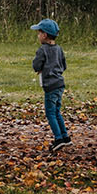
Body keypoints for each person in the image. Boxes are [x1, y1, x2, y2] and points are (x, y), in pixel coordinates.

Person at [31, 18, 70, 151]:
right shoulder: (59, 49)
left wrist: (42, 69)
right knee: (57, 111)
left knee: (50, 113)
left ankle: (58, 138)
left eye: (39, 32)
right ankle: (65, 137)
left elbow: (36, 66)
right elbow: (63, 65)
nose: (38, 35)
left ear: (44, 35)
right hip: (60, 84)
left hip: (50, 86)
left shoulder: (43, 50)